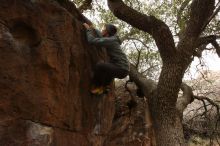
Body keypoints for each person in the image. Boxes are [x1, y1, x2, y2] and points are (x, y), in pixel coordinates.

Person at [83, 23, 130, 94]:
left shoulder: (110, 41)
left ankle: (97, 87)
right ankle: (105, 87)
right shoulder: (111, 39)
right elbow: (101, 36)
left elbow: (91, 41)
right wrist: (94, 28)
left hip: (121, 68)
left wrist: (88, 29)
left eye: (104, 29)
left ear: (107, 32)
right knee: (109, 69)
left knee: (100, 65)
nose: (102, 30)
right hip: (123, 69)